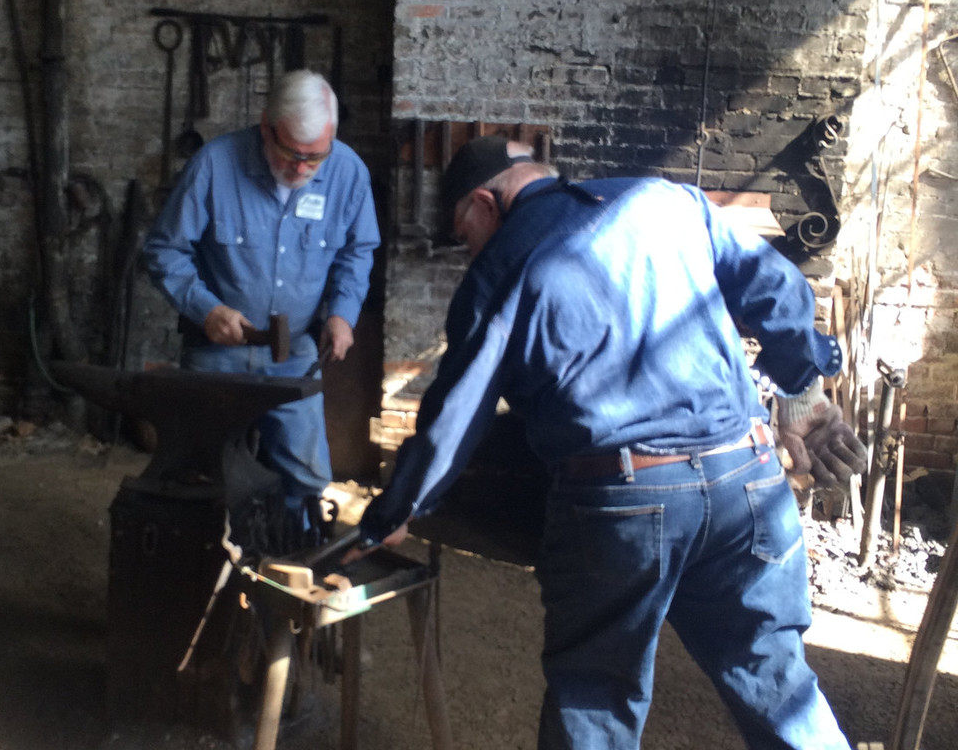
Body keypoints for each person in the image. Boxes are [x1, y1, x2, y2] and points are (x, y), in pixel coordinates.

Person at [351, 136, 868, 749]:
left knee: (596, 697)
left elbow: (456, 416)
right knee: (777, 682)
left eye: (465, 232)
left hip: (625, 503)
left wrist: (398, 509)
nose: (470, 249)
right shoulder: (667, 201)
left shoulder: (502, 268)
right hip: (748, 476)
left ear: (486, 203)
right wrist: (801, 385)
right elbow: (777, 288)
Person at [142, 69, 380, 523]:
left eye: (316, 158)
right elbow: (165, 251)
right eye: (291, 154)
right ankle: (205, 562)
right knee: (202, 472)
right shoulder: (214, 165)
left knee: (308, 477)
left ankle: (288, 567)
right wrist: (205, 309)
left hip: (294, 352)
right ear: (265, 125)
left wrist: (342, 313)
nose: (303, 169)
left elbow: (358, 250)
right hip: (218, 349)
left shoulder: (347, 172)